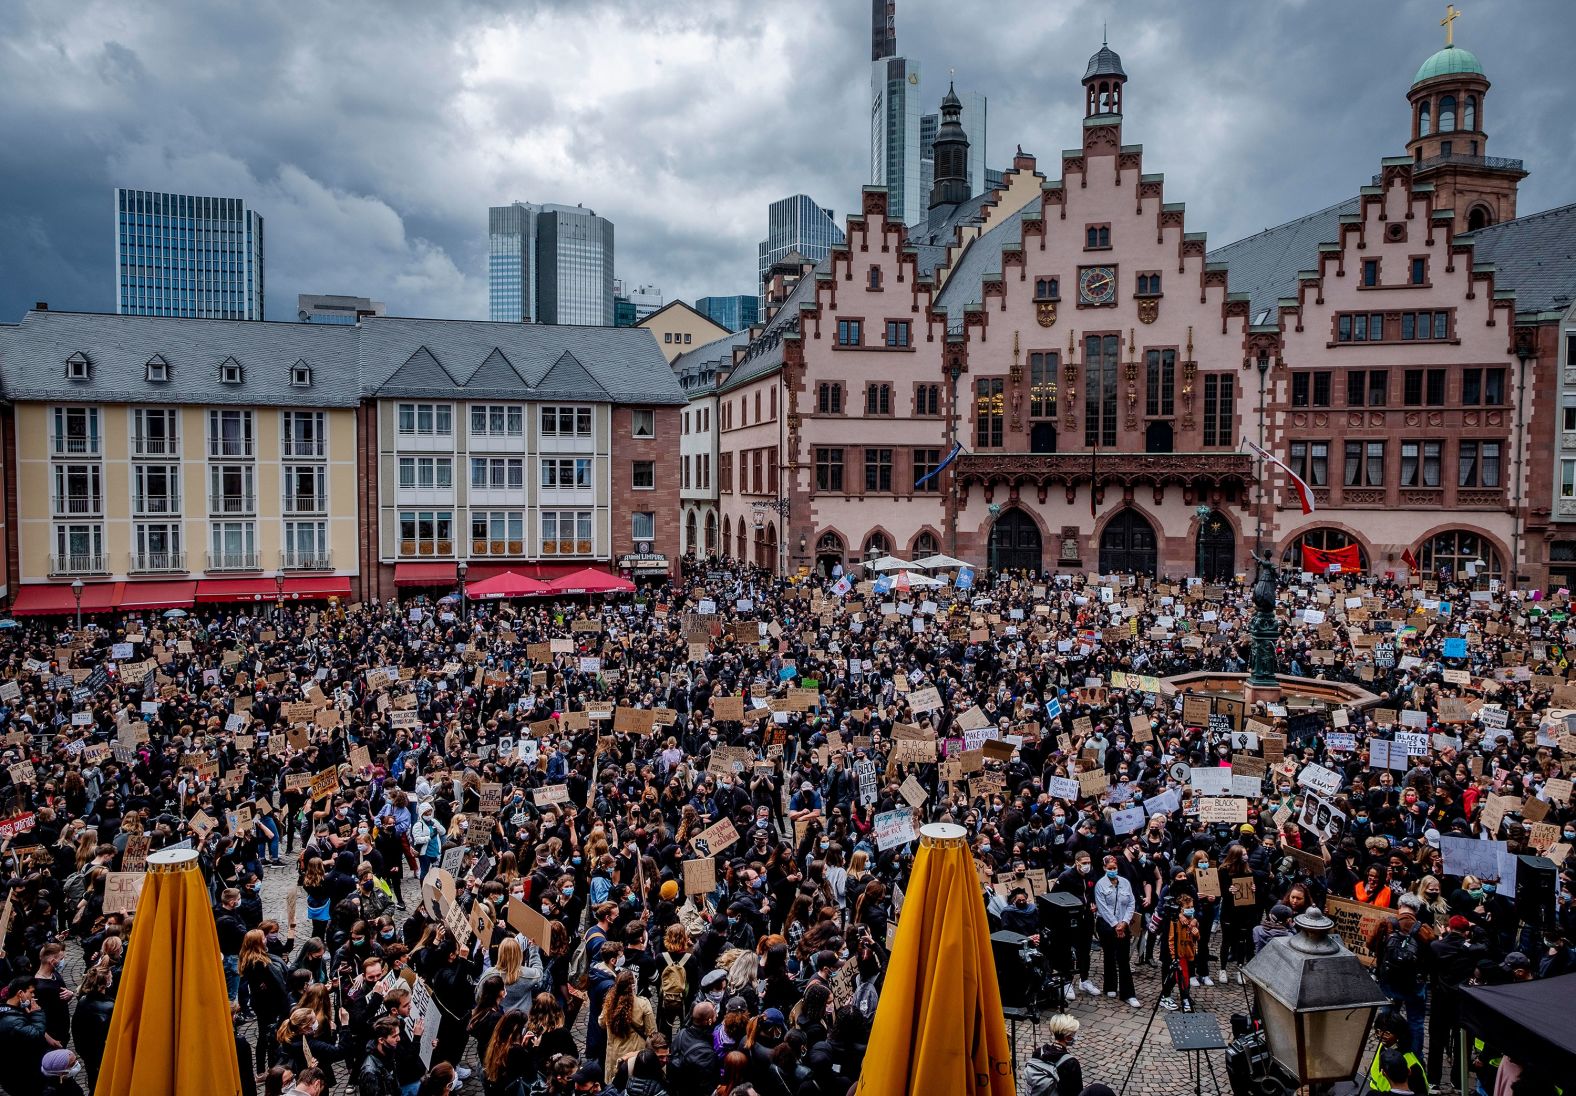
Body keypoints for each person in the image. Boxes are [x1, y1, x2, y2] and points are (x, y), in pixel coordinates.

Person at [1093, 855, 1138, 1007]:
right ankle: (1110, 985)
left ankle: (1128, 993)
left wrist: (1124, 922)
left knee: (1123, 958)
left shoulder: (1125, 883)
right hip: (1106, 924)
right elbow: (1103, 907)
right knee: (1109, 954)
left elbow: (1131, 903)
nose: (1112, 871)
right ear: (1105, 868)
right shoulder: (1100, 885)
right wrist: (1115, 924)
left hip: (1123, 922)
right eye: (1109, 868)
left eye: (1114, 868)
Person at [600, 968, 656, 1082]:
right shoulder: (643, 1004)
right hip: (634, 1055)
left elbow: (601, 1023)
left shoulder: (609, 1003)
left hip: (614, 1055)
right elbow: (652, 1032)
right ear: (633, 986)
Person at [0, 978, 52, 1096]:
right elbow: (37, 1035)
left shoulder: (9, 1011)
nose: (33, 996)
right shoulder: (14, 1022)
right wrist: (37, 1013)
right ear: (20, 993)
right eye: (31, 992)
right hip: (23, 1076)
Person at [1019, 1014, 1082, 1096]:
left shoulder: (1038, 1052)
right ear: (1068, 1037)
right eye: (1074, 1034)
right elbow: (1077, 1092)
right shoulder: (1071, 1063)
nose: (1075, 1037)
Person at [668, 1002, 720, 1093]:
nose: (717, 1014)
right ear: (709, 1021)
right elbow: (706, 1086)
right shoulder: (706, 1053)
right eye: (715, 1013)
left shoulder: (682, 1033)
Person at [357, 1016, 403, 1096]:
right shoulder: (370, 1072)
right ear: (381, 1040)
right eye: (394, 1036)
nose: (399, 1039)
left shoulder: (389, 1051)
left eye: (398, 1035)